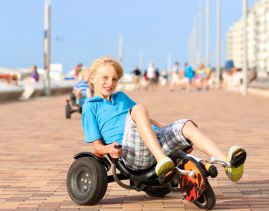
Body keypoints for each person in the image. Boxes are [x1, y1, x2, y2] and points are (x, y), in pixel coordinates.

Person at [82, 56, 246, 184]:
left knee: (185, 124)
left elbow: (144, 119)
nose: (110, 83)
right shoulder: (90, 107)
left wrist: (174, 134)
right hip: (131, 154)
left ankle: (228, 164)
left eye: (114, 79)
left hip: (155, 147)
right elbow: (97, 146)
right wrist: (108, 150)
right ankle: (163, 162)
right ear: (92, 79)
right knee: (139, 108)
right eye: (105, 78)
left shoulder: (121, 97)